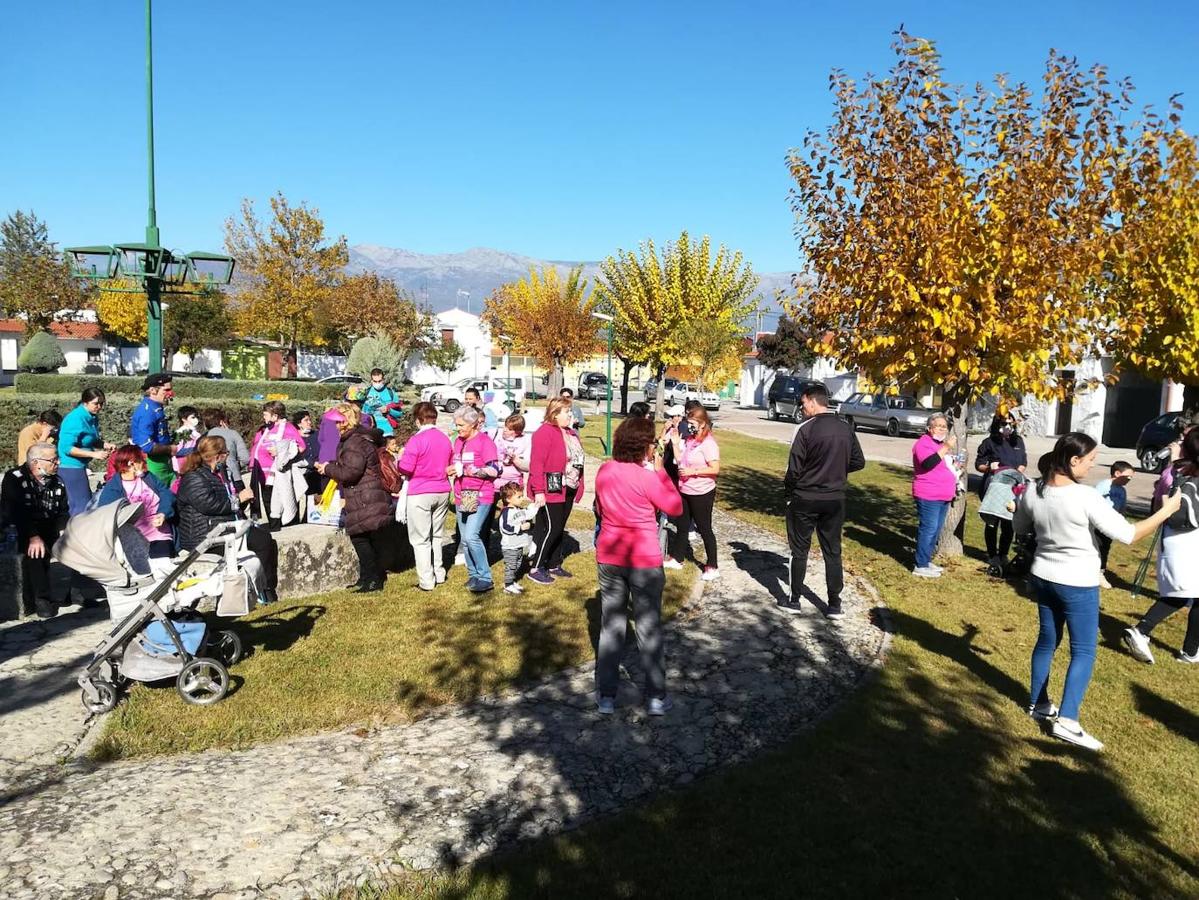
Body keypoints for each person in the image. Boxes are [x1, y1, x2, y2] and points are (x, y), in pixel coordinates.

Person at [1013, 432, 1179, 752]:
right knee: (1084, 651)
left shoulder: (1033, 490)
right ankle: (1068, 721)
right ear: (1073, 461)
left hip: (1043, 578)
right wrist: (1165, 511)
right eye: (1089, 461)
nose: (1091, 467)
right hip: (1076, 583)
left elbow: (1020, 527)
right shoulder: (1084, 496)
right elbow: (1129, 534)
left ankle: (1039, 703)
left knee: (1047, 641)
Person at [592, 416, 684, 715]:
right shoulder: (647, 477)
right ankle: (656, 696)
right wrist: (660, 471)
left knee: (611, 625)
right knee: (648, 626)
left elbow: (598, 505)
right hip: (642, 558)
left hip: (609, 554)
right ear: (646, 446)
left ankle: (606, 695)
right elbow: (675, 507)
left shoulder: (605, 471)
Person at [782, 382, 865, 618]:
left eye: (803, 404)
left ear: (810, 400)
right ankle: (835, 604)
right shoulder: (845, 428)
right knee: (832, 550)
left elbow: (794, 469)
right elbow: (858, 461)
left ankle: (794, 599)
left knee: (799, 549)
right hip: (835, 498)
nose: (802, 408)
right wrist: (836, 470)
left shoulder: (805, 429)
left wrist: (788, 493)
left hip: (805, 497)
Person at [1123, 433, 1199, 665]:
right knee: (1182, 593)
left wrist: (1175, 461)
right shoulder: (1185, 472)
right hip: (1188, 540)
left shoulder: (1179, 471)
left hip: (1173, 537)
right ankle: (1142, 630)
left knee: (1191, 594)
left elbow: (1164, 493)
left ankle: (1191, 650)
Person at [176, 435, 278, 604]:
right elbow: (210, 506)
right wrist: (239, 498)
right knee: (262, 541)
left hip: (223, 527)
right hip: (205, 536)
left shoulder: (218, 473)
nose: (228, 456)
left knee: (264, 539)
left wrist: (242, 501)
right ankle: (264, 590)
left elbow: (228, 505)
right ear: (218, 455)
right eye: (226, 453)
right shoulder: (194, 478)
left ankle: (265, 588)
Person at [313, 404, 394, 593]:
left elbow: (351, 472)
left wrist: (327, 469)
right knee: (364, 537)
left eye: (336, 422)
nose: (334, 426)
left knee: (360, 538)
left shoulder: (354, 442)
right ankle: (367, 577)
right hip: (367, 493)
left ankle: (373, 580)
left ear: (344, 422)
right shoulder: (357, 438)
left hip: (364, 494)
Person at [1, 442, 69, 618]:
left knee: (77, 544)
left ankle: (76, 592)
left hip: (49, 525)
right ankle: (42, 599)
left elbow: (62, 511)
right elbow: (15, 512)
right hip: (20, 527)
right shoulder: (15, 478)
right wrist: (33, 536)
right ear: (37, 462)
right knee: (36, 551)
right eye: (53, 460)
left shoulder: (57, 482)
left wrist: (63, 531)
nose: (58, 463)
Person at [397, 402, 453, 591]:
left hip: (420, 491)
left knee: (420, 539)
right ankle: (439, 572)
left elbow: (406, 467)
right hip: (442, 489)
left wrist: (399, 459)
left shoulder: (416, 440)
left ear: (418, 419)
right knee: (437, 535)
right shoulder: (445, 439)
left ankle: (426, 581)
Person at [527, 397, 583, 585]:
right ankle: (536, 567)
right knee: (552, 527)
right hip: (551, 485)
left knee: (559, 527)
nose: (570, 415)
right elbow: (537, 464)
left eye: (570, 411)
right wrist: (538, 490)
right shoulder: (544, 432)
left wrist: (579, 484)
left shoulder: (571, 433)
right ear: (555, 413)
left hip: (569, 485)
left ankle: (553, 563)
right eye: (567, 412)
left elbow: (577, 459)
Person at [448, 405, 502, 593]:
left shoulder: (484, 442)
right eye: (456, 425)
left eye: (461, 425)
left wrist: (473, 471)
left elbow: (495, 470)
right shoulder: (458, 442)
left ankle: (485, 577)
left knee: (472, 536)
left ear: (473, 424)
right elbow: (456, 463)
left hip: (481, 494)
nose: (458, 428)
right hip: (464, 495)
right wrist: (452, 469)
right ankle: (474, 576)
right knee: (465, 538)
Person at [664, 406, 722, 580]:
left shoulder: (709, 444)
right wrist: (675, 443)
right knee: (682, 525)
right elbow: (680, 460)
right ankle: (678, 558)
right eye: (687, 423)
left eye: (692, 423)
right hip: (685, 489)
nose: (689, 426)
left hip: (702, 492)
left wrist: (694, 472)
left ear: (702, 424)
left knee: (704, 528)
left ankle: (712, 565)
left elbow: (715, 468)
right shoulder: (690, 440)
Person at [97, 445, 175, 559]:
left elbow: (167, 494)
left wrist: (162, 513)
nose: (145, 462)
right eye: (141, 460)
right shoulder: (113, 488)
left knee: (162, 564)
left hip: (159, 534)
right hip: (133, 539)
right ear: (131, 463)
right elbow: (106, 515)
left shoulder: (149, 477)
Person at [975, 413, 1029, 572]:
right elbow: (979, 464)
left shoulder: (1018, 441)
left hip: (1012, 486)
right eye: (1004, 423)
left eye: (1010, 424)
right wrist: (989, 467)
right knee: (992, 521)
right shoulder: (989, 442)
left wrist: (1019, 471)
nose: (1007, 427)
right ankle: (992, 555)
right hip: (994, 485)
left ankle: (1003, 553)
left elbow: (1023, 461)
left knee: (1009, 521)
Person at [911, 413, 958, 579]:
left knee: (936, 530)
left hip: (943, 494)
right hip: (928, 494)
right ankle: (920, 564)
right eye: (938, 426)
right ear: (930, 428)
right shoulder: (923, 443)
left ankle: (926, 560)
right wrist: (946, 447)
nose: (942, 429)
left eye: (944, 427)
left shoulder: (939, 445)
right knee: (928, 529)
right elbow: (928, 463)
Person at [249, 400, 307, 530]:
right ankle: (274, 528)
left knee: (284, 500)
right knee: (269, 502)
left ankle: (289, 528)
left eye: (266, 414)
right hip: (262, 474)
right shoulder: (264, 429)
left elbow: (300, 447)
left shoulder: (288, 427)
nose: (263, 417)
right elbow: (256, 446)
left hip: (279, 473)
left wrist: (280, 451)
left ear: (275, 416)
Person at [57, 388, 114, 515]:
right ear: (85, 402)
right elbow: (67, 448)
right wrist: (94, 454)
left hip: (80, 466)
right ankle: (78, 533)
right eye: (96, 403)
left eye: (101, 404)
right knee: (81, 506)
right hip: (70, 467)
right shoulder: (75, 419)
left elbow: (90, 439)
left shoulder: (92, 417)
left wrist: (104, 445)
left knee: (85, 504)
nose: (99, 407)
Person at [130, 374, 177, 486]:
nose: (170, 394)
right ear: (152, 390)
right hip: (153, 463)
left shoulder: (155, 407)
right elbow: (147, 446)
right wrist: (170, 449)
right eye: (166, 390)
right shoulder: (147, 411)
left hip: (163, 461)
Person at [1094, 460, 1134, 589]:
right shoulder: (1104, 485)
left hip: (1111, 525)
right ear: (1117, 473)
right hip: (1099, 523)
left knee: (1105, 547)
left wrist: (1121, 518)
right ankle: (1093, 570)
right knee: (1096, 547)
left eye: (1131, 478)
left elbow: (1122, 507)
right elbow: (1095, 501)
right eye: (1128, 476)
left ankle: (1100, 572)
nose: (1129, 480)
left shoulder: (1122, 491)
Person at [497, 481, 538, 594]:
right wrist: (520, 528)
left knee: (518, 564)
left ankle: (512, 581)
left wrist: (536, 505)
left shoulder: (518, 510)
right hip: (509, 546)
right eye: (519, 497)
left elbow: (528, 514)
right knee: (511, 566)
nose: (521, 499)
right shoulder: (506, 513)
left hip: (518, 545)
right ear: (509, 499)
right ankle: (508, 585)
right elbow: (505, 527)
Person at [203, 408, 250, 487]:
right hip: (234, 477)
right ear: (221, 422)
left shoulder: (202, 439)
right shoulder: (232, 433)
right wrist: (235, 465)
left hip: (210, 480)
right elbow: (245, 458)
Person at [494, 413, 531, 493]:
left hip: (513, 485)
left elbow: (528, 466)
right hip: (495, 483)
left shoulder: (525, 441)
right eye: (505, 426)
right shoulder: (496, 436)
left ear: (517, 432)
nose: (505, 430)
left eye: (510, 429)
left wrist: (515, 459)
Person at [292, 410, 323, 496]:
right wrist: (312, 463)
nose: (309, 422)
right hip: (302, 472)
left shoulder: (317, 435)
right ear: (299, 423)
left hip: (319, 471)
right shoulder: (294, 438)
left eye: (309, 420)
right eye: (306, 420)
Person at [362, 368, 401, 436]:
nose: (377, 383)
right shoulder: (366, 392)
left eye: (379, 381)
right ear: (371, 381)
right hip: (371, 432)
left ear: (383, 380)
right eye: (375, 381)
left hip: (388, 432)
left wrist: (388, 411)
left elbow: (400, 414)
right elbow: (362, 414)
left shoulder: (390, 393)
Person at [172, 405, 203, 475]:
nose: (196, 419)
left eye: (196, 417)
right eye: (193, 417)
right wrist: (195, 449)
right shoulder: (180, 433)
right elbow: (176, 451)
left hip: (195, 465)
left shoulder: (196, 433)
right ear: (183, 419)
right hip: (182, 467)